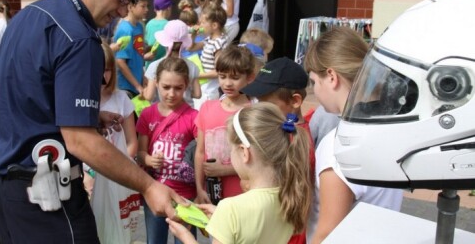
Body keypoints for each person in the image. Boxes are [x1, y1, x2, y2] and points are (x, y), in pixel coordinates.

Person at [0, 0, 186, 243]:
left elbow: (27, 97)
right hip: (47, 198)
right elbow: (80, 141)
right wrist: (148, 186)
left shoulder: (30, 14)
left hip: (6, 189)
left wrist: (86, 116)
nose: (120, 11)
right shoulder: (80, 38)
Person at [303, 27, 403, 243]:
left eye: (314, 82)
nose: (314, 91)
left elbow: (328, 233)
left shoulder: (339, 146)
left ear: (331, 77)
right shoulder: (389, 126)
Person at [167, 102, 313, 244]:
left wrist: (186, 238)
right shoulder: (291, 198)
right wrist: (222, 217)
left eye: (231, 149)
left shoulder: (230, 209)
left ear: (244, 152)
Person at [240, 57, 315, 244]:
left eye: (266, 102)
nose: (258, 107)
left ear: (295, 101)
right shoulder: (288, 131)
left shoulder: (295, 139)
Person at [136, 57, 199, 244]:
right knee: (155, 241)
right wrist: (148, 160)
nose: (171, 93)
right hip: (155, 192)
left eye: (178, 88)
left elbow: (201, 153)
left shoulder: (194, 117)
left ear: (186, 85)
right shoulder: (148, 114)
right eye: (166, 87)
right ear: (156, 83)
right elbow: (140, 153)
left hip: (184, 197)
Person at [86, 42, 141, 243]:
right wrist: (88, 173)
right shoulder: (81, 100)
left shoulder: (122, 99)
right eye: (97, 69)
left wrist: (117, 168)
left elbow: (131, 142)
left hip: (117, 174)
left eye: (107, 69)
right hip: (88, 178)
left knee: (118, 231)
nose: (103, 75)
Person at [194, 46, 256, 204]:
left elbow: (262, 160)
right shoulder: (207, 108)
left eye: (235, 78)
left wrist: (226, 170)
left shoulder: (255, 112)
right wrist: (199, 188)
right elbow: (200, 152)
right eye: (222, 76)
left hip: (244, 196)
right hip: (211, 194)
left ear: (249, 77)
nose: (227, 83)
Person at [143, 20, 201, 108]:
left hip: (162, 114)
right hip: (186, 113)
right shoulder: (192, 66)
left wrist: (143, 91)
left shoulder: (154, 66)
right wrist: (187, 93)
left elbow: (149, 96)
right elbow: (197, 94)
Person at [114, 0, 151, 98]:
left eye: (147, 6)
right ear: (130, 7)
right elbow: (120, 62)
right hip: (126, 88)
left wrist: (142, 77)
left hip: (135, 86)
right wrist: (137, 86)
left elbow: (137, 56)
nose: (147, 9)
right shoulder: (126, 29)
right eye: (143, 6)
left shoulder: (139, 26)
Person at [196, 3, 228, 105]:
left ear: (214, 25)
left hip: (211, 89)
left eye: (203, 23)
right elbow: (190, 47)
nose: (200, 26)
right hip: (205, 85)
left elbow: (218, 71)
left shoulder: (218, 43)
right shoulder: (209, 39)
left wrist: (197, 75)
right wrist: (192, 34)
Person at [145, 0, 172, 66]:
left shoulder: (149, 24)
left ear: (155, 9)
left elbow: (145, 44)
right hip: (163, 66)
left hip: (149, 65)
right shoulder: (169, 25)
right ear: (168, 8)